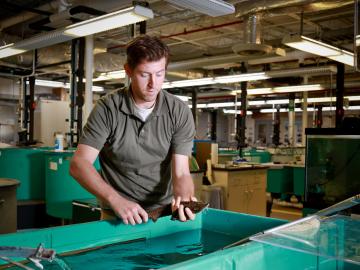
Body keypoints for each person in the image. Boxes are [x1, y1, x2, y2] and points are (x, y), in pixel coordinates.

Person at [70, 35, 196, 225]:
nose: (153, 84)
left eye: (160, 74)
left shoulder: (179, 111)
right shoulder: (108, 108)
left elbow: (181, 173)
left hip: (162, 212)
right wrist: (115, 200)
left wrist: (184, 199)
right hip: (118, 214)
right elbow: (79, 164)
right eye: (144, 75)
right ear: (128, 71)